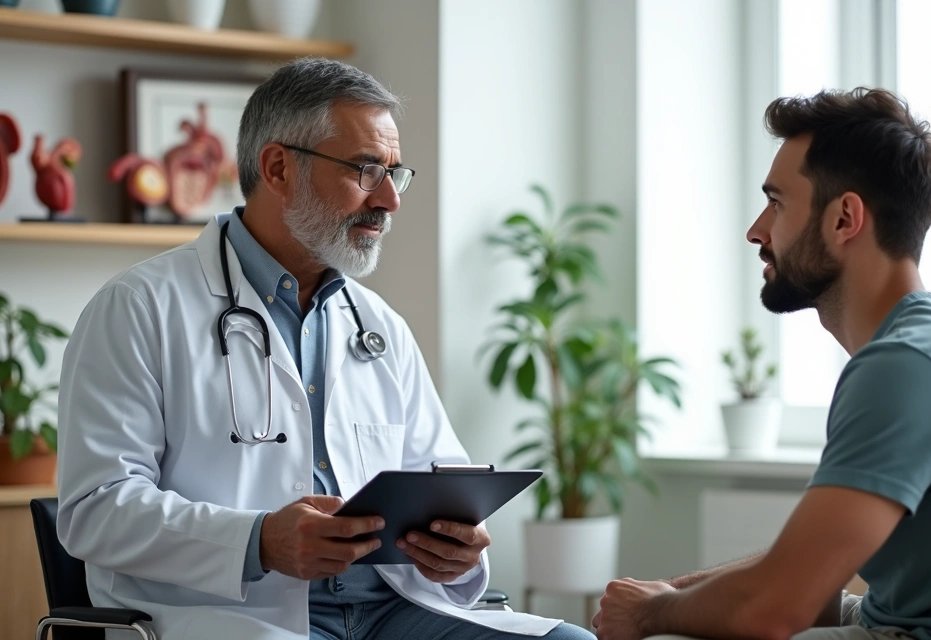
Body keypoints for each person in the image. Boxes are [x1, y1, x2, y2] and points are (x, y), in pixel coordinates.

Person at [57, 58, 594, 640]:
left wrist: (458, 550)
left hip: (393, 610)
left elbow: (441, 477)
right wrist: (260, 541)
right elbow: (96, 509)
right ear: (279, 167)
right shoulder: (139, 307)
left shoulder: (377, 324)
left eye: (395, 173)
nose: (389, 199)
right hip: (232, 615)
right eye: (366, 170)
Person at [592, 88, 931, 640]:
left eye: (777, 203)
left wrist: (647, 614)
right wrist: (672, 595)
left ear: (844, 218)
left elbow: (773, 609)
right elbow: (806, 569)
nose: (757, 231)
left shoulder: (908, 364)